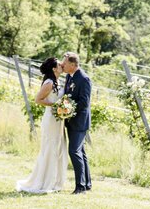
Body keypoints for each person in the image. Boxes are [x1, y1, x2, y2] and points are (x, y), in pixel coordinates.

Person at [15, 57, 67, 193]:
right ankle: (44, 181)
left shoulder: (57, 81)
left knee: (57, 148)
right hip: (51, 119)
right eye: (59, 64)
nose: (62, 65)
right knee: (50, 149)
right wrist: (56, 106)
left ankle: (54, 180)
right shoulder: (49, 83)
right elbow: (38, 100)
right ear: (54, 69)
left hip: (58, 119)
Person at [60, 52, 92, 194]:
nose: (62, 65)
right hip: (70, 120)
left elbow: (84, 102)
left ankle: (80, 187)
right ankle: (87, 184)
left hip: (80, 122)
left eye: (65, 63)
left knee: (74, 151)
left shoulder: (84, 79)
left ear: (73, 65)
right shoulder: (69, 76)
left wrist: (68, 109)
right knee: (81, 152)